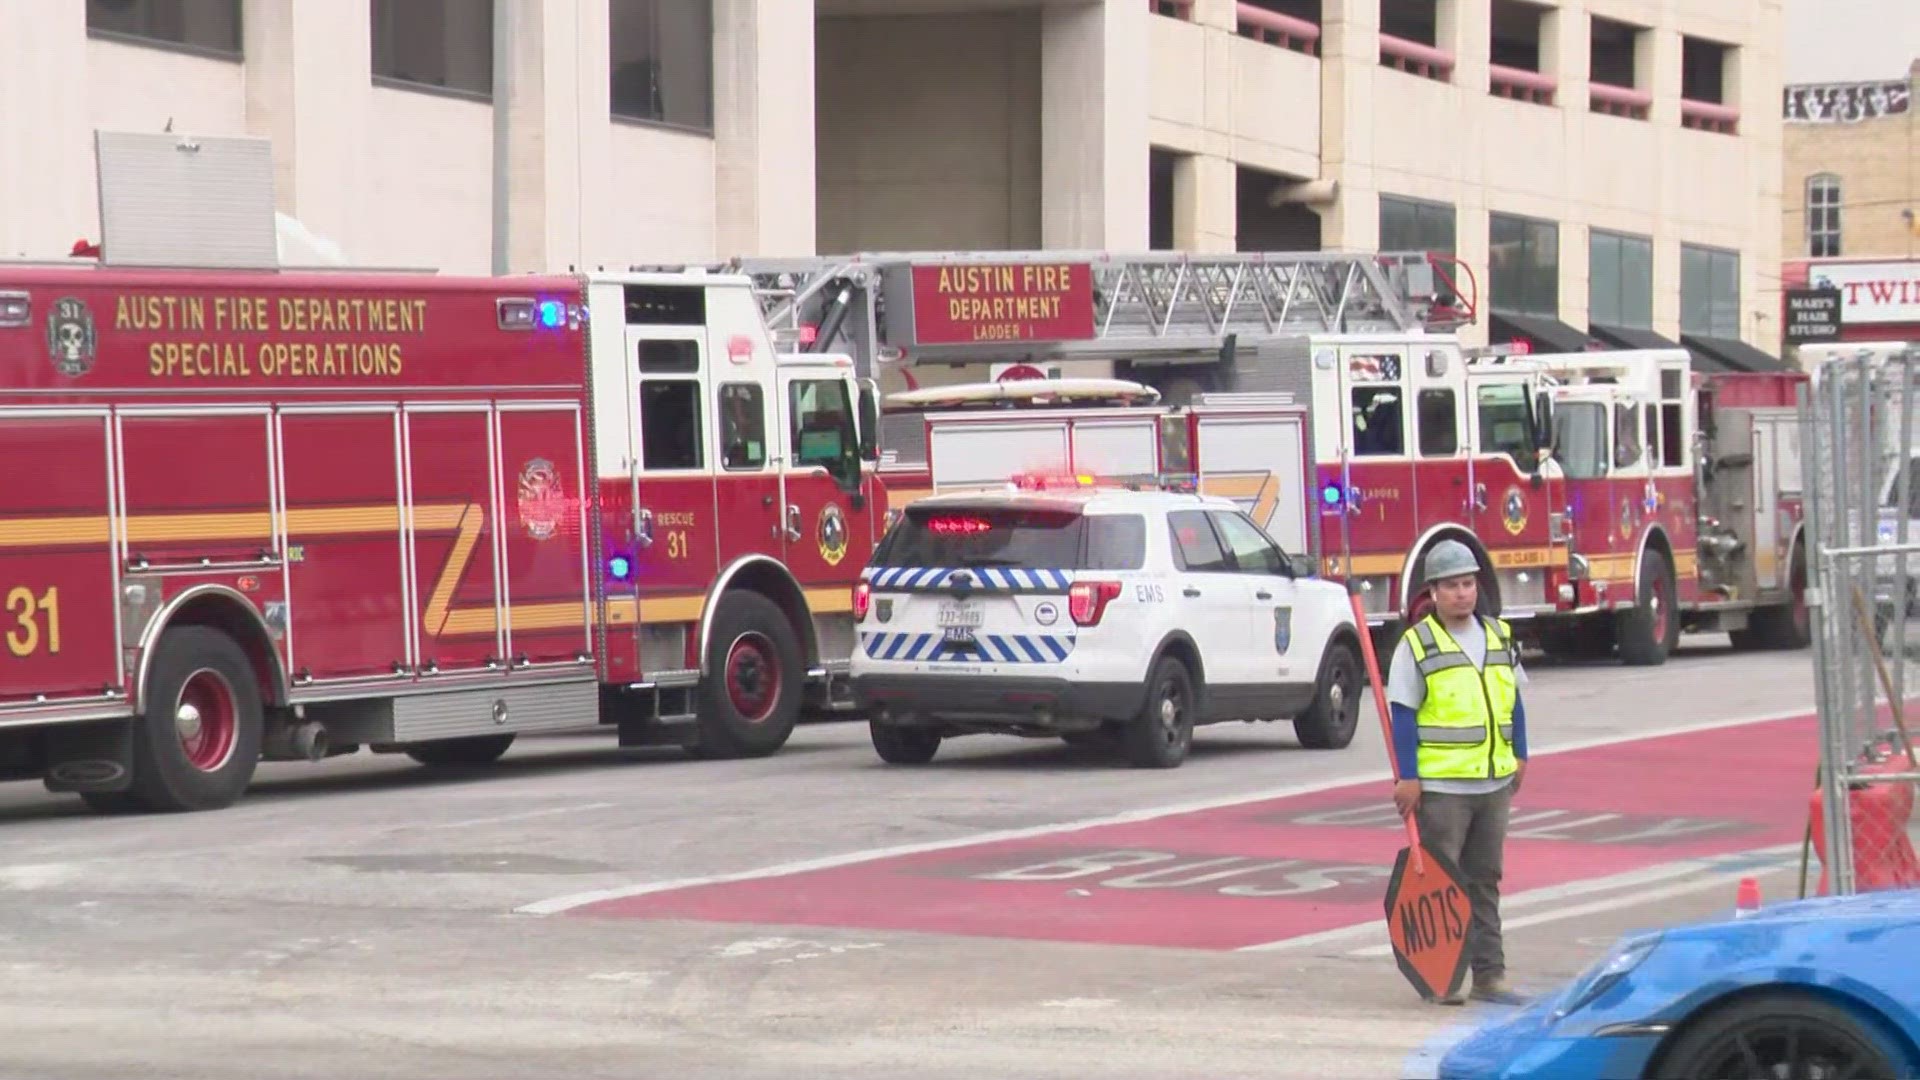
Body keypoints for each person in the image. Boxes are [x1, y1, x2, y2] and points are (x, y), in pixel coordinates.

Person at [1386, 537, 1529, 1007]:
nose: (1463, 593)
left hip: (1493, 783)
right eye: (1451, 586)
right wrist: (1409, 777)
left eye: (1468, 584)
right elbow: (1403, 714)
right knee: (1442, 885)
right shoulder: (1417, 644)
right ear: (1433, 592)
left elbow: (1514, 699)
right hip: (1443, 788)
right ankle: (1445, 976)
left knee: (1484, 879)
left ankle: (1491, 975)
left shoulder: (1499, 636)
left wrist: (1521, 754)